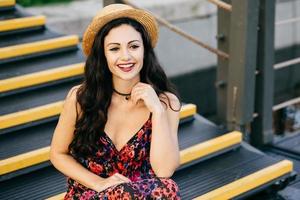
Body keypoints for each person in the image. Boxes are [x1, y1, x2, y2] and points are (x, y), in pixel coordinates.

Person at [50, 3, 182, 199]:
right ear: (103, 55)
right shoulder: (81, 98)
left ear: (145, 50)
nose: (125, 56)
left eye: (134, 46)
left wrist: (157, 111)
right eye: (114, 49)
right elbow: (57, 154)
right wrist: (99, 183)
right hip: (91, 193)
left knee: (167, 188)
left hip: (141, 194)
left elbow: (164, 171)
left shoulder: (165, 103)